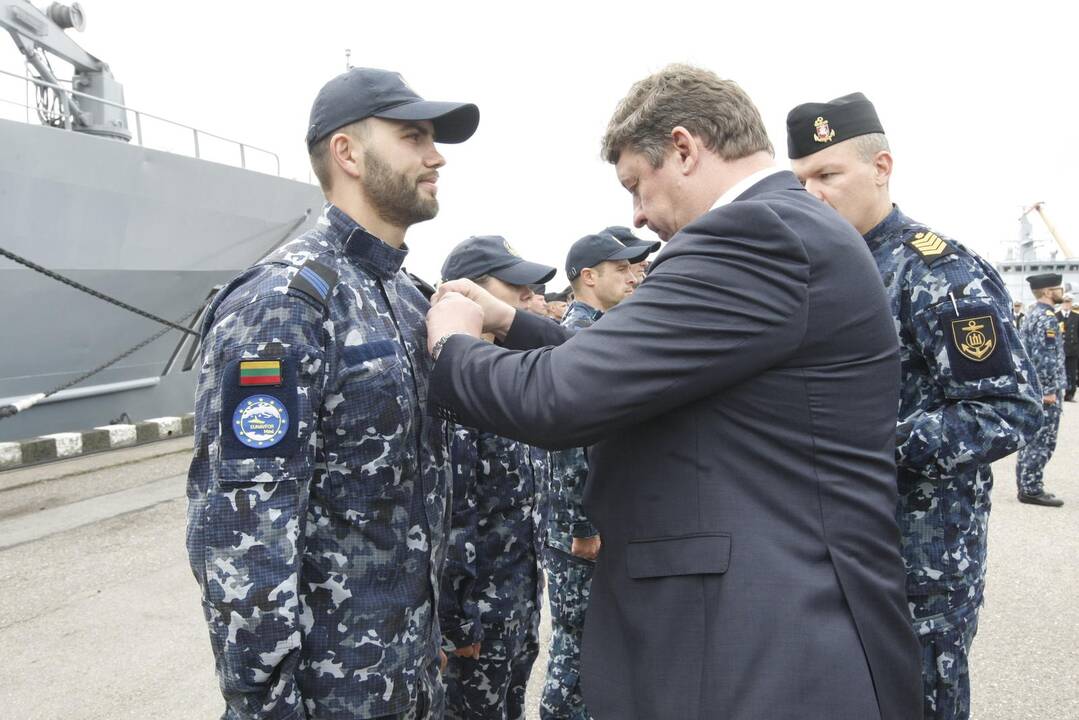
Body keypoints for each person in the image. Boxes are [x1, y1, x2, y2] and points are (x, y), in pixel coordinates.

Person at [424, 63, 921, 720]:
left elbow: (560, 399)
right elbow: (639, 367)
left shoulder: (753, 233)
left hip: (769, 648)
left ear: (684, 149)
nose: (636, 212)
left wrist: (452, 344)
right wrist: (512, 324)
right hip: (768, 634)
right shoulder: (783, 226)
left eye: (636, 184)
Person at [185, 67, 479, 720]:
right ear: (347, 153)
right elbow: (243, 539)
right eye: (413, 137)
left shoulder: (409, 300)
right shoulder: (283, 304)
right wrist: (265, 707)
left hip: (409, 679)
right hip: (329, 697)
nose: (436, 156)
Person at [786, 92, 1043, 720]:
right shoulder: (811, 268)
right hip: (827, 550)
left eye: (828, 174)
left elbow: (1007, 408)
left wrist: (870, 444)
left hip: (920, 560)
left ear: (881, 167)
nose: (812, 193)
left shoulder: (938, 272)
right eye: (799, 181)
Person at [436, 236, 555, 720]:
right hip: (477, 619)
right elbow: (450, 517)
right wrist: (457, 626)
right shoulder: (456, 391)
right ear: (468, 294)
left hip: (517, 600)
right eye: (517, 286)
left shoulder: (506, 377)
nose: (530, 297)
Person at [539, 233, 647, 720]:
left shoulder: (601, 330)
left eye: (635, 267)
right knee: (576, 647)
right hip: (580, 531)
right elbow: (568, 442)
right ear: (589, 276)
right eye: (621, 268)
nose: (633, 275)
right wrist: (582, 527)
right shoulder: (576, 338)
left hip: (597, 521)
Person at [1016, 274, 1068, 506]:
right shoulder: (1046, 318)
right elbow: (1045, 358)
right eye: (1059, 288)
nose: (1062, 292)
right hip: (1045, 391)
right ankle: (1031, 488)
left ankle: (1026, 484)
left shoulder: (1033, 314)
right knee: (1042, 441)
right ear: (1048, 291)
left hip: (1034, 388)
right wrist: (1048, 390)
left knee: (1032, 439)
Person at [1059, 295, 1078, 401]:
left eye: (1068, 302)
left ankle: (1070, 393)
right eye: (1064, 302)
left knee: (1071, 372)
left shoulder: (1076, 316)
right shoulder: (1055, 315)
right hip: (1058, 350)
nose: (1066, 304)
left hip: (1072, 350)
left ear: (1071, 303)